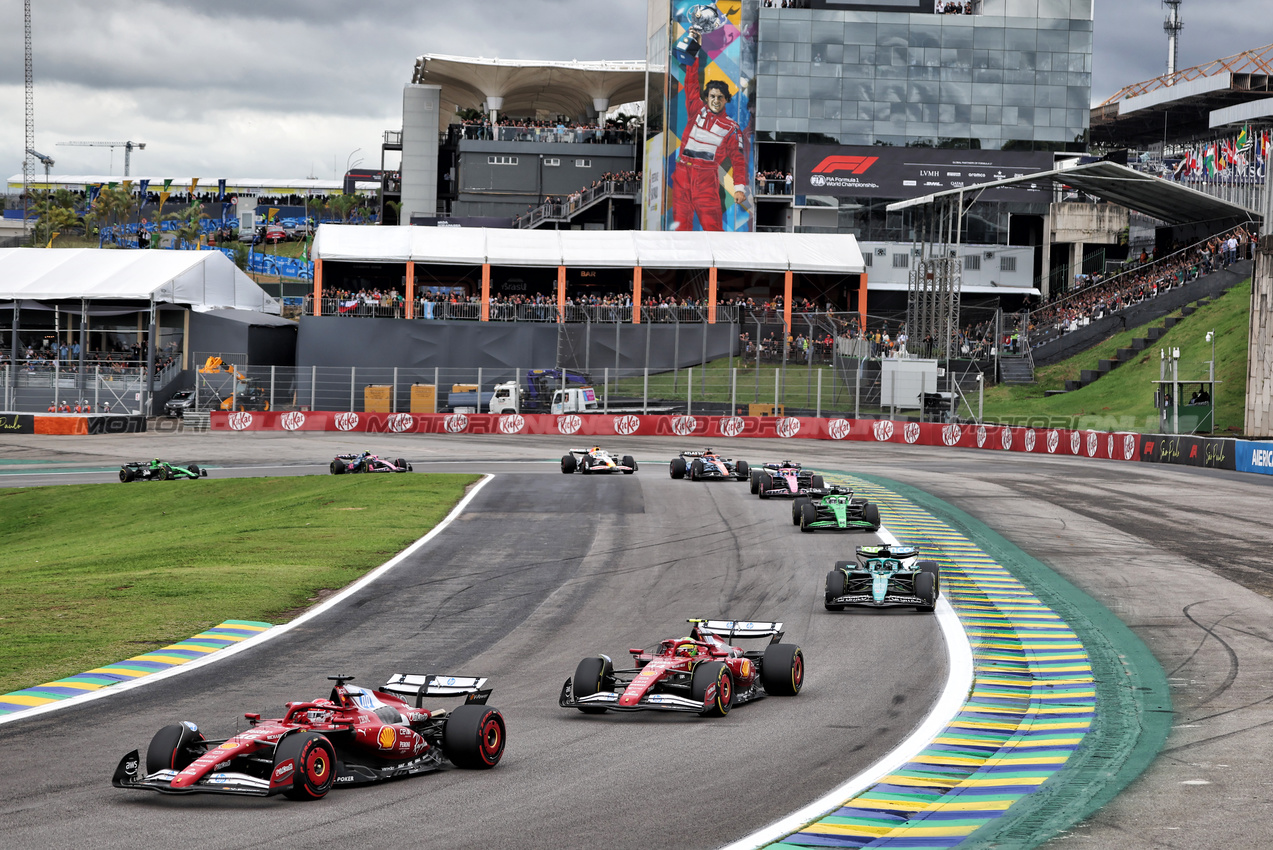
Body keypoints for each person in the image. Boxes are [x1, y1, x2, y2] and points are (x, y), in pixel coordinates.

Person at [670, 28, 749, 231]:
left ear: (726, 100)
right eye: (712, 96)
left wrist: (740, 189)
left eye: (720, 97)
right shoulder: (696, 109)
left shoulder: (732, 128)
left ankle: (718, 263)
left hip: (706, 178)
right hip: (682, 173)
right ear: (706, 98)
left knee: (713, 229)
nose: (715, 100)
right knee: (680, 229)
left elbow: (738, 161)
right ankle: (680, 262)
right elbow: (691, 82)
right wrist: (695, 50)